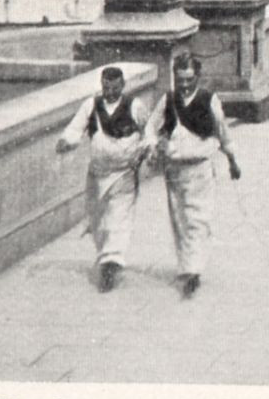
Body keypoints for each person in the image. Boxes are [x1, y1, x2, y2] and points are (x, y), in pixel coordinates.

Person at [144, 54, 242, 299]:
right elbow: (150, 127)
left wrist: (232, 160)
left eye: (189, 79)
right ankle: (186, 265)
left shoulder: (210, 100)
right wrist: (153, 145)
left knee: (198, 218)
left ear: (197, 77)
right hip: (175, 169)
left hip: (200, 169)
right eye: (180, 80)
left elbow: (223, 132)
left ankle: (193, 270)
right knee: (180, 219)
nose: (185, 84)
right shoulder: (168, 100)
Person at [56, 66, 152, 292]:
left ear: (123, 86)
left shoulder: (134, 106)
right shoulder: (91, 106)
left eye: (115, 88)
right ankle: (105, 254)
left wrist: (147, 148)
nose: (109, 92)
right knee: (98, 220)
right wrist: (67, 141)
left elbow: (149, 132)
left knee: (118, 218)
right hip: (98, 174)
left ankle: (111, 263)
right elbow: (75, 128)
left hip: (124, 173)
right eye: (106, 87)